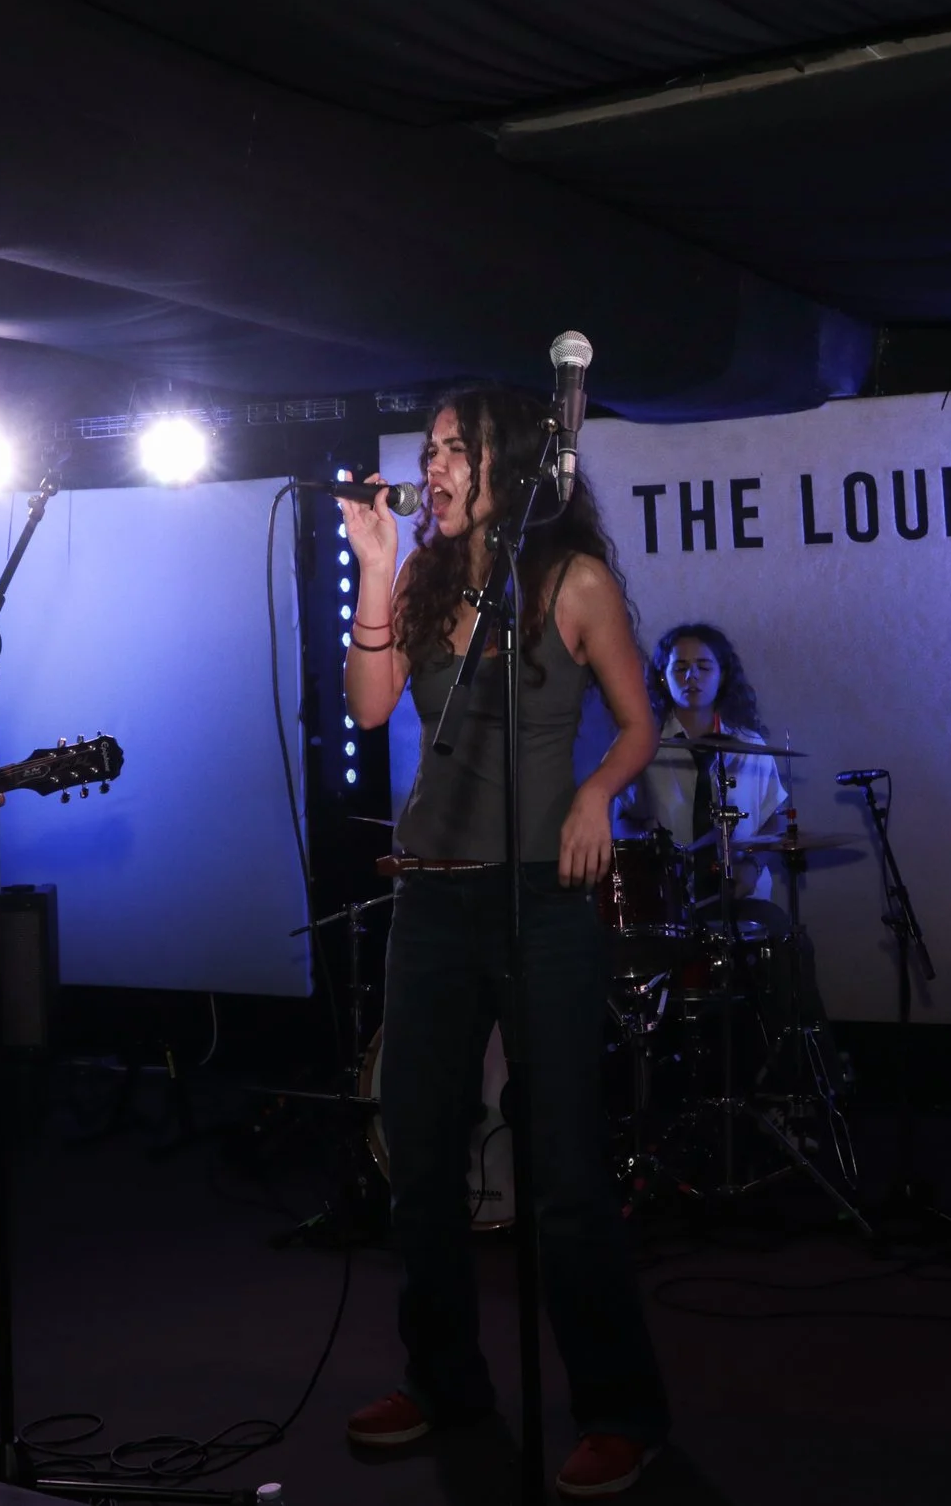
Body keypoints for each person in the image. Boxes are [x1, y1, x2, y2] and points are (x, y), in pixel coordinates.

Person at [334, 386, 670, 1498]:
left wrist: (597, 798)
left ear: (506, 462)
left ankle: (619, 1409)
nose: (430, 467)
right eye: (424, 449)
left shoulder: (569, 580)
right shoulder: (424, 576)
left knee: (565, 1165)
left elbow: (638, 721)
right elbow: (373, 708)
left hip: (540, 900)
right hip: (432, 897)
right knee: (419, 1152)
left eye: (452, 450)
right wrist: (377, 562)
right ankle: (443, 1379)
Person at [618, 623, 790, 905]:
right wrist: (650, 847)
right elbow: (621, 821)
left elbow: (774, 818)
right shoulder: (644, 745)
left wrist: (752, 867)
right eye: (681, 667)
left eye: (704, 666)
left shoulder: (750, 746)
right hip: (669, 902)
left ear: (722, 677)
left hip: (745, 902)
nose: (692, 676)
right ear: (663, 677)